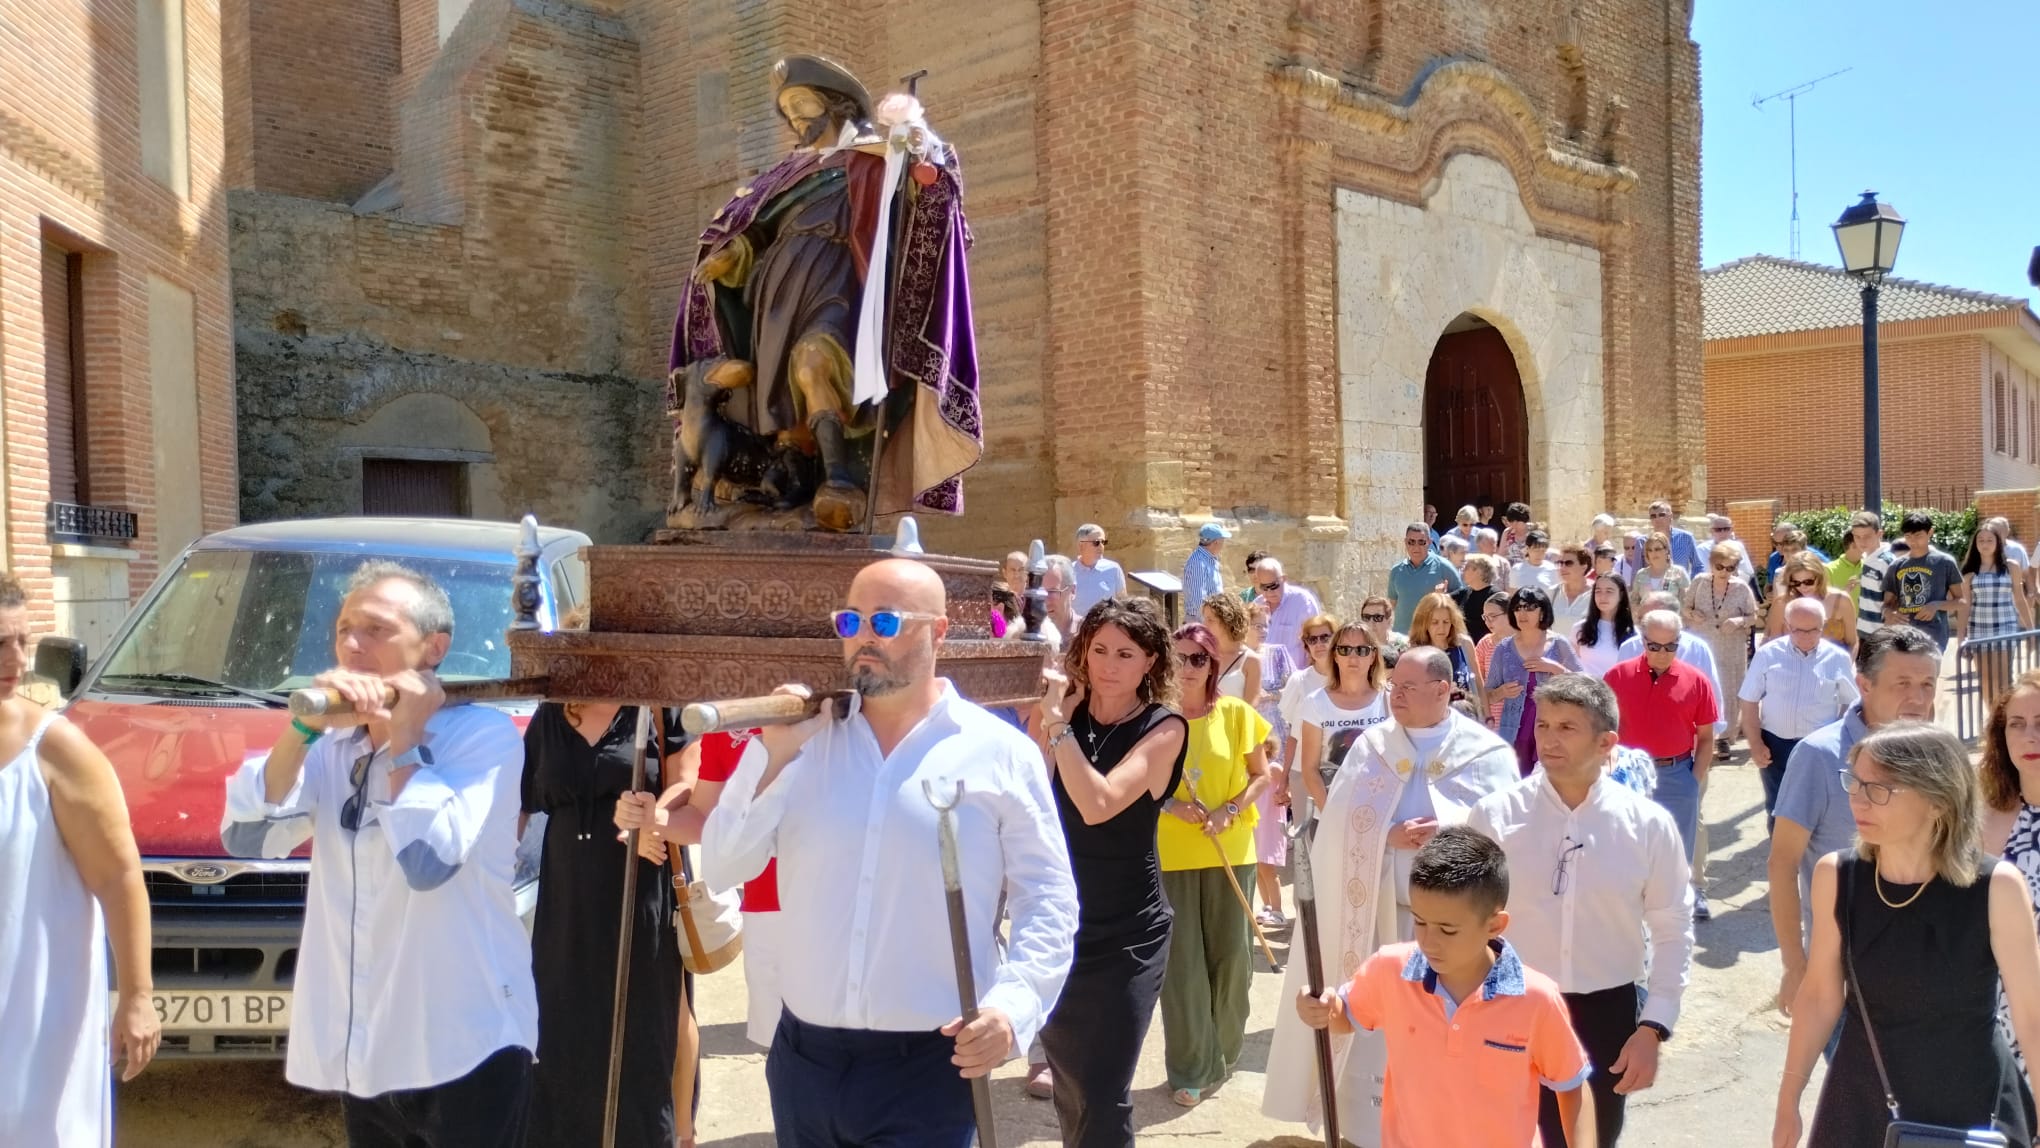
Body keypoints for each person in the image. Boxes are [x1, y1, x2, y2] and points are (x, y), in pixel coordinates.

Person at [699, 558, 1078, 1146]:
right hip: (804, 1062)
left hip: (931, 1068)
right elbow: (724, 865)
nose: (863, 638)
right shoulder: (800, 743)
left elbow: (1048, 897)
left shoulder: (998, 753)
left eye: (885, 621)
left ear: (939, 632)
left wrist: (1014, 1006)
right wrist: (771, 755)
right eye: (850, 621)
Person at [221, 561, 537, 1145]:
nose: (351, 645)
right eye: (343, 629)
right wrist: (303, 728)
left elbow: (426, 863)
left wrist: (402, 738)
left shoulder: (483, 738)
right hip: (367, 1045)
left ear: (434, 648)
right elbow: (248, 838)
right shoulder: (333, 745)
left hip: (464, 1043)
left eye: (376, 629)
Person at [1264, 649, 1521, 1140]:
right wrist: (1386, 834)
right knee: (1377, 1036)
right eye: (1393, 686)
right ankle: (1368, 1132)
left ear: (1442, 690)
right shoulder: (1372, 747)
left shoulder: (1486, 754)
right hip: (1378, 924)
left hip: (1456, 937)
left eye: (1407, 687)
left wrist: (1448, 830)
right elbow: (1338, 827)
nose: (1394, 696)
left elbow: (1506, 833)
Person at [1770, 723, 2040, 1148]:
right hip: (1861, 1102)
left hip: (1976, 1105)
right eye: (1855, 782)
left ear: (1938, 801)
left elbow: (2031, 1016)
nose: (1858, 799)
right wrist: (1789, 1099)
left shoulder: (1997, 886)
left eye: (1880, 789)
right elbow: (1820, 995)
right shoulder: (1836, 876)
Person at [1469, 674, 1694, 1148]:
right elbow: (1467, 923)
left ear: (1606, 742)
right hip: (1511, 1005)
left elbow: (1673, 928)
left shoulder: (1648, 826)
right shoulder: (1494, 816)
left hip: (1605, 1014)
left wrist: (1653, 1027)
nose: (1548, 739)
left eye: (1567, 728)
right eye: (1544, 725)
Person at [1291, 828, 1595, 1148]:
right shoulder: (1390, 969)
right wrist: (1322, 1008)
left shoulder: (1536, 999)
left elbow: (1571, 1084)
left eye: (1447, 930)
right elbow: (1345, 1016)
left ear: (1495, 925)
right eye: (1419, 921)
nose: (1428, 941)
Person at [0, 572, 158, 1146]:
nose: (17, 660)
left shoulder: (54, 750)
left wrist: (137, 998)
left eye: (23, 640)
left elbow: (119, 877)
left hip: (34, 1020)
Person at [1032, 597, 1188, 1148]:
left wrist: (1057, 726)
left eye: (1125, 654)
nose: (1109, 665)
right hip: (1060, 922)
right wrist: (1052, 718)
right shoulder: (1063, 715)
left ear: (1150, 661)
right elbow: (1031, 795)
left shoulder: (1164, 728)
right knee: (1071, 1085)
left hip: (1129, 932)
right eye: (1099, 650)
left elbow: (1098, 804)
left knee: (1103, 1089)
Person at [523, 696, 688, 1148]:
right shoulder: (551, 712)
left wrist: (651, 819)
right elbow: (520, 801)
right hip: (567, 897)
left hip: (639, 879)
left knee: (643, 1022)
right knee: (561, 1022)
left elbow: (686, 785)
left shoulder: (659, 704)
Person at [1767, 625, 1940, 1023]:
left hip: (1927, 966)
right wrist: (1795, 964)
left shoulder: (1937, 755)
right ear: (1864, 685)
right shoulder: (1819, 756)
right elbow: (1782, 863)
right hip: (1844, 977)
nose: (1918, 699)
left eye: (1927, 685)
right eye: (1902, 684)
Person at [1156, 622, 1271, 1108]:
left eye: (1198, 658)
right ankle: (1190, 1068)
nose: (1187, 667)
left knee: (1232, 961)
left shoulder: (1238, 714)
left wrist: (1230, 810)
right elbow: (1139, 782)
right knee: (1182, 966)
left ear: (1213, 665)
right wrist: (1170, 804)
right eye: (1178, 657)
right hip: (1172, 855)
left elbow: (1261, 776)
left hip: (1231, 850)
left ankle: (1220, 1054)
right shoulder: (1154, 718)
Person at [1604, 610, 1719, 918]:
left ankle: (1681, 903)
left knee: (1678, 846)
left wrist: (1693, 779)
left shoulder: (1697, 681)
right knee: (1626, 844)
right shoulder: (1617, 676)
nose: (1662, 653)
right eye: (1654, 646)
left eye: (1671, 646)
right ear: (1643, 642)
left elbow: (1706, 737)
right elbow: (1601, 727)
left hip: (1676, 773)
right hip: (1627, 774)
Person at [1740, 599, 1860, 826]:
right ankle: (1780, 848)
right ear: (1787, 625)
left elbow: (1850, 702)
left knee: (1818, 806)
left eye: (1813, 630)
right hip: (1775, 745)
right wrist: (1755, 743)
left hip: (1818, 748)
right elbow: (1749, 700)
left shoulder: (1837, 658)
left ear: (1823, 626)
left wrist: (1839, 740)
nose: (1805, 636)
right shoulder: (1767, 655)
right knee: (1777, 807)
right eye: (1798, 630)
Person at [1975, 671, 2040, 1073]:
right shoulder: (1983, 821)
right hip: (2002, 1010)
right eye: (2017, 724)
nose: (2030, 736)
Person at [1484, 585, 1582, 775]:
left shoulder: (1559, 643)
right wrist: (1501, 692)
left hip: (1552, 730)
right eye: (1518, 608)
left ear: (1542, 612)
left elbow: (1584, 684)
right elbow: (1487, 694)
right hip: (1514, 733)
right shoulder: (1503, 648)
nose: (1522, 613)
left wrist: (1555, 669)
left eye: (1529, 608)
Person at [1295, 621, 1391, 808]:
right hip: (1330, 810)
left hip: (1381, 809)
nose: (1353, 657)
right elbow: (1310, 769)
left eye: (1362, 650)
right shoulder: (1315, 703)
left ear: (1373, 656)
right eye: (1345, 649)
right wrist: (1330, 813)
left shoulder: (1388, 700)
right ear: (1335, 655)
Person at [1684, 538, 1756, 757]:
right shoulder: (1699, 582)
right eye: (1720, 566)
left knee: (1728, 690)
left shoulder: (1741, 587)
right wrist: (1692, 614)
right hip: (1703, 644)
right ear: (1711, 564)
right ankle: (1698, 735)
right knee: (1701, 689)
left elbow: (1753, 616)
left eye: (1730, 568)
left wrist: (1738, 621)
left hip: (1730, 647)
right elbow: (1685, 607)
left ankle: (1724, 737)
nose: (1724, 572)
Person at [1247, 601, 1295, 928]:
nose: (1263, 630)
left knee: (1267, 864)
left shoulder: (1276, 653)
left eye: (1266, 625)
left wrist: (1269, 696)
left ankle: (1274, 907)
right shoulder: (1238, 658)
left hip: (1273, 734)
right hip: (1252, 739)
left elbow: (1290, 688)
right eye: (1257, 625)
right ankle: (1267, 906)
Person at [1960, 519, 2032, 708]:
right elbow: (1965, 606)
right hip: (1978, 629)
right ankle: (1992, 716)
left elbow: (2019, 599)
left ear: (1998, 542)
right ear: (1975, 544)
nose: (1985, 544)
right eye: (1981, 540)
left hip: (2005, 627)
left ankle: (2007, 716)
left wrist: (2031, 630)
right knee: (1985, 680)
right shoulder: (1969, 572)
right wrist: (1961, 637)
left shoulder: (2011, 567)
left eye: (1989, 540)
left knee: (2003, 679)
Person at [1883, 510, 1966, 651]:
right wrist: (1889, 614)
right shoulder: (1896, 566)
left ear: (1930, 532)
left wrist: (1936, 605)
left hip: (1934, 636)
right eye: (1908, 536)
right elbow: (1886, 605)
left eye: (1918, 536)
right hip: (1904, 635)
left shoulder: (1945, 562)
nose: (1913, 541)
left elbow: (1961, 602)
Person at [1278, 613, 1339, 782]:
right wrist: (1284, 778)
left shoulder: (1350, 680)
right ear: (1306, 645)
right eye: (1312, 640)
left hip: (1340, 773)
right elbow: (1293, 736)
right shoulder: (1298, 681)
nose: (1319, 644)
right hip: (1302, 772)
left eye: (1325, 637)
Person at [1766, 552, 1858, 653]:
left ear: (1819, 577)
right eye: (1796, 583)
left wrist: (1847, 662)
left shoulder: (1841, 600)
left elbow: (1852, 643)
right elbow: (1774, 645)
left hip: (1835, 662)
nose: (1803, 587)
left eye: (1808, 582)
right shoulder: (1782, 604)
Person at [1408, 591, 1484, 711]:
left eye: (1446, 622)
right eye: (1435, 622)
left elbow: (1478, 684)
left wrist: (1488, 717)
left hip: (1466, 715)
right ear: (1423, 623)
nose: (1441, 628)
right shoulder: (1414, 653)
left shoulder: (1464, 644)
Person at [1387, 522, 1462, 634]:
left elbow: (1462, 600)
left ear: (1429, 542)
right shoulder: (1396, 570)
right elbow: (1392, 604)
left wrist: (1444, 597)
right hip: (1402, 638)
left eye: (1421, 542)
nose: (1416, 547)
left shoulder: (1444, 567)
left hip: (1431, 637)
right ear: (1405, 542)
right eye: (1411, 542)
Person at [1254, 557, 1325, 667]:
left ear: (1283, 579)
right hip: (1263, 674)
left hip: (1296, 674)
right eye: (1264, 587)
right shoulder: (1257, 605)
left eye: (1273, 586)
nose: (1269, 592)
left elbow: (1317, 640)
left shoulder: (1303, 602)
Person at [1202, 592, 1262, 708]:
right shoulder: (1201, 656)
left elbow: (1250, 708)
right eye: (1204, 619)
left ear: (1227, 622)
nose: (1204, 625)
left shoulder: (1251, 660)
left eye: (1210, 620)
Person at [1573, 573, 1635, 679]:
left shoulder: (1634, 634)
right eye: (1598, 591)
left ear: (1621, 595)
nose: (1602, 597)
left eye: (1609, 591)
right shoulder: (1580, 628)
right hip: (1586, 687)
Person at [1826, 511, 1883, 608]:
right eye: (1858, 538)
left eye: (1866, 537)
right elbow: (1824, 602)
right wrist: (1845, 592)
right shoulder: (1829, 569)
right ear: (1853, 544)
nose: (1863, 542)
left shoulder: (1870, 564)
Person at [1474, 593, 1513, 729]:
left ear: (1510, 613)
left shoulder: (1525, 641)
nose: (1488, 622)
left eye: (1493, 616)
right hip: (1493, 718)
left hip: (1522, 717)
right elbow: (1477, 684)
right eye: (1485, 617)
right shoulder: (1485, 644)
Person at [1072, 523, 1128, 616]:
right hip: (1079, 625)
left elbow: (1123, 604)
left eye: (1103, 542)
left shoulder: (1114, 569)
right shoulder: (1069, 572)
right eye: (1096, 542)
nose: (1101, 546)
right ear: (1081, 546)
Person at [1629, 531, 1691, 615]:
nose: (1653, 553)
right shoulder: (1641, 574)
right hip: (1646, 621)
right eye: (1650, 550)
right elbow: (1634, 602)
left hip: (1671, 620)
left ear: (1666, 550)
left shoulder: (1679, 572)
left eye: (1657, 549)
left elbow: (1686, 602)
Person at [1630, 501, 1701, 574]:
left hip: (1681, 580)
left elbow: (1698, 566)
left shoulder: (1686, 538)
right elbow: (1636, 572)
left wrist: (1693, 581)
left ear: (1670, 516)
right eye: (1653, 516)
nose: (1657, 519)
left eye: (1661, 515)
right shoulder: (1642, 542)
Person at [1183, 522, 1229, 619]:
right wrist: (1209, 621)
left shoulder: (1209, 559)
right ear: (1216, 542)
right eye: (1222, 541)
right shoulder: (1198, 562)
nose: (1223, 544)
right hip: (1202, 620)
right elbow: (1198, 599)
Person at [1453, 554, 1501, 643]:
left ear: (1479, 572)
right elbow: (1445, 601)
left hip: (1487, 646)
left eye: (1467, 568)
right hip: (1465, 646)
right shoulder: (1464, 593)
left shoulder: (1495, 596)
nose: (1463, 571)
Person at [1550, 544, 1595, 637]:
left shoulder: (1595, 594)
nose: (1562, 568)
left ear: (1584, 567)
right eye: (1560, 563)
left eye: (1568, 563)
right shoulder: (1552, 592)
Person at [1356, 594, 1409, 664]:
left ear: (1389, 621)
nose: (1371, 623)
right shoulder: (1356, 645)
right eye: (1366, 617)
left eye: (1377, 617)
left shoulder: (1402, 645)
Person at [1702, 515, 1756, 581]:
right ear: (1711, 531)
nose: (1723, 532)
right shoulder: (1702, 549)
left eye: (1726, 529)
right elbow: (1704, 573)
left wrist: (1736, 574)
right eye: (1718, 530)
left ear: (1731, 530)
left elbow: (1748, 572)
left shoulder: (1738, 546)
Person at [1042, 553, 1079, 646]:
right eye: (1040, 593)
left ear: (1072, 591)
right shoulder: (1025, 636)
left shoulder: (1089, 634)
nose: (1045, 601)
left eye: (1052, 592)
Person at [1511, 529, 1560, 595]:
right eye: (1536, 550)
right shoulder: (1517, 569)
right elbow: (1513, 594)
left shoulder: (1552, 569)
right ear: (1527, 549)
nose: (1539, 554)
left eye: (1543, 551)